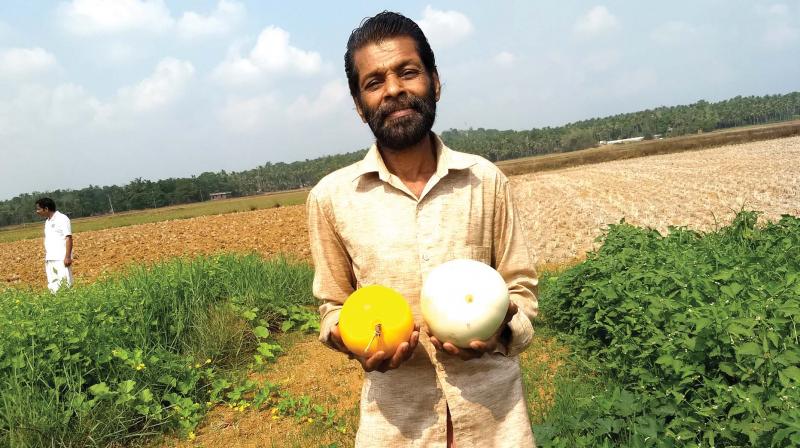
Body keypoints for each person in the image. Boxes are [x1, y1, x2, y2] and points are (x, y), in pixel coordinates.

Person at [306, 11, 539, 448]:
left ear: (434, 82)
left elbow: (521, 291)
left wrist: (501, 330)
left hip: (496, 421)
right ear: (360, 106)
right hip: (395, 425)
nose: (393, 89)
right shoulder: (332, 198)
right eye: (374, 82)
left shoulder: (485, 180)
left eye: (407, 72)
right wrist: (352, 340)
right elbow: (333, 307)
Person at [35, 197, 74, 292]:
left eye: (39, 209)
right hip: (50, 258)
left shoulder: (62, 218)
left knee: (65, 284)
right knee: (53, 286)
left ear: (46, 209)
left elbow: (68, 237)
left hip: (61, 258)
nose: (37, 211)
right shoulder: (47, 222)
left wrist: (67, 257)